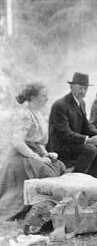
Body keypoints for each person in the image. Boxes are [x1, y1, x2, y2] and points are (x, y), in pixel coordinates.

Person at [1, 83, 66, 221]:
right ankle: (28, 209)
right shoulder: (24, 114)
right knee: (45, 170)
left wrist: (46, 154)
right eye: (43, 96)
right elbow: (18, 142)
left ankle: (43, 207)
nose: (46, 99)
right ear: (32, 97)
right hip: (20, 158)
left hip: (33, 153)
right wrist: (37, 158)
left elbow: (38, 142)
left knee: (57, 165)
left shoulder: (37, 114)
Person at [48, 73, 97, 179]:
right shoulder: (60, 105)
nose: (83, 91)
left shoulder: (81, 103)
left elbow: (86, 126)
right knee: (90, 149)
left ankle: (94, 174)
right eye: (80, 88)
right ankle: (75, 177)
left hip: (74, 142)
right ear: (71, 87)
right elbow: (64, 133)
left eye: (85, 89)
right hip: (61, 146)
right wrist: (87, 140)